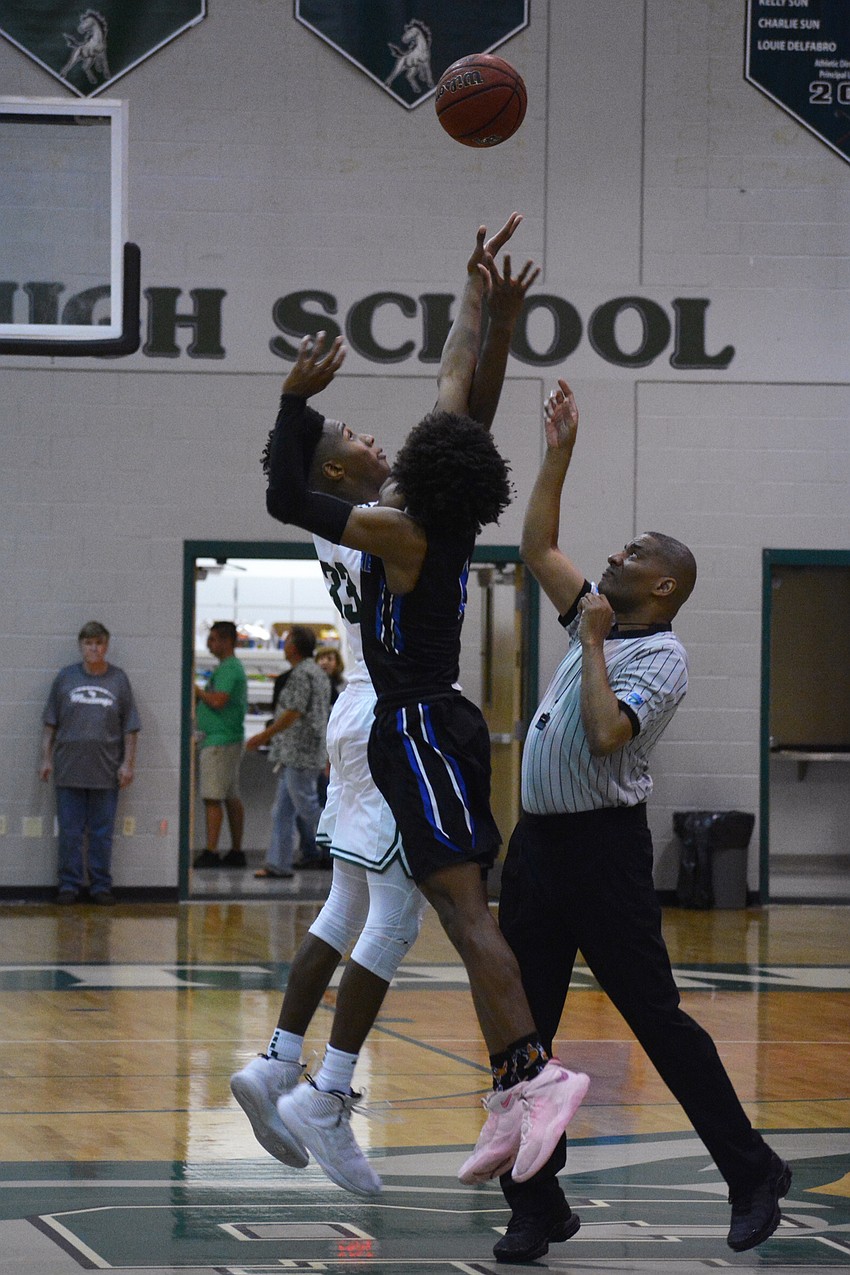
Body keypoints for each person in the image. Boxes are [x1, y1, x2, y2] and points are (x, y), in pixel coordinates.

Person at [258, 218, 591, 1198]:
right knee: (446, 911)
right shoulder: (438, 513)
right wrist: (486, 309)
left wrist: (291, 400)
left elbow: (284, 496)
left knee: (458, 911)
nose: (393, 440)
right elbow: (461, 394)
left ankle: (533, 1074)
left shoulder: (396, 530)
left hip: (406, 721)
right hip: (425, 719)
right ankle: (509, 1082)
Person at [480, 380, 791, 1262]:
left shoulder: (657, 650)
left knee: (657, 1017)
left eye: (632, 551)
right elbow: (536, 542)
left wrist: (588, 640)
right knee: (519, 1032)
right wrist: (559, 456)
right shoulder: (601, 619)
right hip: (536, 850)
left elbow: (606, 732)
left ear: (662, 581)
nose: (611, 555)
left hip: (603, 855)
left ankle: (753, 1169)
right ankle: (536, 1205)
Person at [39, 620, 140, 905]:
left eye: (99, 643)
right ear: (80, 646)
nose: (93, 648)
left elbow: (131, 728)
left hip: (106, 771)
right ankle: (68, 885)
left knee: (102, 833)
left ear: (106, 647)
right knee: (70, 832)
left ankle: (100, 886)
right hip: (69, 769)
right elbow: (50, 724)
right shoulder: (65, 678)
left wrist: (128, 764)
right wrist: (45, 759)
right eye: (88, 643)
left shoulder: (119, 680)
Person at [246, 625, 331, 878]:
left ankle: (348, 854)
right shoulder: (317, 673)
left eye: (286, 642)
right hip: (298, 754)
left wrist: (263, 736)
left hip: (299, 754)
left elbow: (292, 713)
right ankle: (278, 863)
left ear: (293, 647)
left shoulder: (301, 675)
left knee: (309, 809)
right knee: (282, 811)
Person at [193, 620, 248, 869]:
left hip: (220, 741)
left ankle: (211, 851)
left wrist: (196, 691)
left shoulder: (229, 668)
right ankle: (236, 850)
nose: (209, 643)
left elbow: (218, 700)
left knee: (213, 797)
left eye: (214, 639)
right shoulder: (228, 667)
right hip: (225, 739)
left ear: (227, 641)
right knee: (229, 796)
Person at [314, 646, 345, 811]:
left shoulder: (345, 687)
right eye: (321, 658)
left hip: (336, 741)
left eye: (329, 658)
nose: (324, 662)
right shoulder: (313, 684)